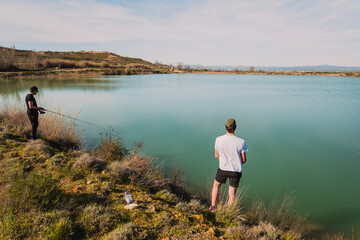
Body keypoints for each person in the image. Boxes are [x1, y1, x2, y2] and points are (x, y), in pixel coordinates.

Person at [210, 118, 248, 211]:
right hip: (236, 170)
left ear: (225, 127)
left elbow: (216, 155)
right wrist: (236, 163)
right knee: (232, 192)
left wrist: (223, 160)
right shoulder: (241, 142)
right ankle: (229, 212)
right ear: (235, 127)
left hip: (223, 168)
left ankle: (213, 207)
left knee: (216, 185)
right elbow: (243, 159)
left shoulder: (218, 139)